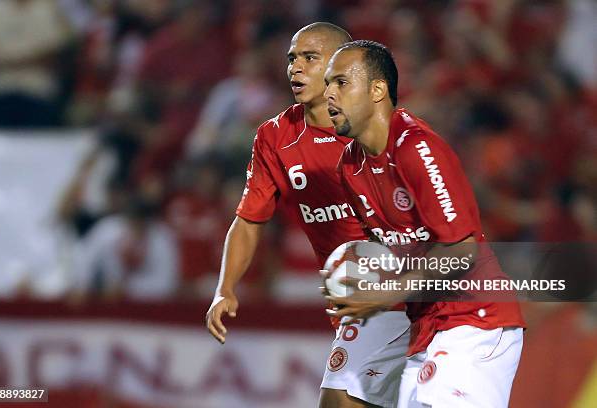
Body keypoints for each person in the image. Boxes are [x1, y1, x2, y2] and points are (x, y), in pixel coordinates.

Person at [205, 24, 410, 408]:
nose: (295, 68)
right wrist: (225, 287)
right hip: (354, 305)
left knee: (338, 400)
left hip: (401, 296)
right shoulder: (276, 136)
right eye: (291, 59)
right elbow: (249, 219)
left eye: (309, 58)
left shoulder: (382, 129)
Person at [323, 40, 526, 407]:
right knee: (339, 395)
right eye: (327, 85)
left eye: (340, 83)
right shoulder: (351, 167)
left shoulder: (416, 148)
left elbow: (461, 250)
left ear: (377, 90)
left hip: (475, 322)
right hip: (427, 327)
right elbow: (391, 254)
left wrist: (385, 293)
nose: (329, 96)